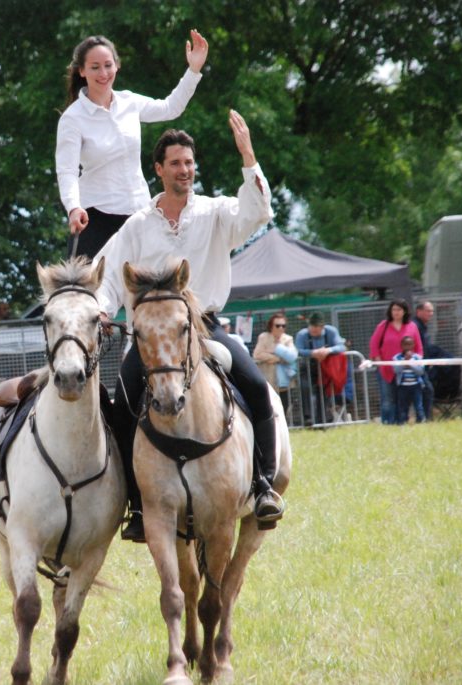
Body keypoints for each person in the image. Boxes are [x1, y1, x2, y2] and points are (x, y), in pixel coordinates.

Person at [94, 110, 280, 541]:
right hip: (151, 340)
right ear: (158, 169)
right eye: (176, 163)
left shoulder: (216, 212)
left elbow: (258, 212)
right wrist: (103, 309)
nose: (185, 170)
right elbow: (108, 276)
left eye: (190, 162)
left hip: (205, 330)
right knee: (122, 401)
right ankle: (138, 506)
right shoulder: (138, 225)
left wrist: (248, 156)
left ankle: (262, 485)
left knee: (255, 386)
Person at [56, 30, 208, 259]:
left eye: (108, 65)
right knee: (85, 282)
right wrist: (73, 207)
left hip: (139, 215)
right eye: (95, 67)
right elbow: (66, 171)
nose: (103, 73)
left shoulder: (129, 102)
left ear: (117, 66)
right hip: (95, 218)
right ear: (82, 71)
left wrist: (193, 70)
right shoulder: (72, 118)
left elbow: (171, 108)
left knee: (161, 277)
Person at [368, 299, 423, 425]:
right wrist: (379, 362)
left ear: (404, 311)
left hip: (407, 371)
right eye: (393, 309)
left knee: (403, 399)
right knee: (387, 399)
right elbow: (373, 344)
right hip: (386, 369)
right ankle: (388, 422)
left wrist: (415, 362)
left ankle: (401, 422)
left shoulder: (412, 326)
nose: (396, 312)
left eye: (399, 309)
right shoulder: (383, 326)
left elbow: (419, 348)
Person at [295, 312, 347, 426]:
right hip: (307, 366)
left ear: (323, 326)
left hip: (324, 367)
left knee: (323, 391)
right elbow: (297, 350)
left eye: (316, 327)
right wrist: (313, 353)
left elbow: (341, 346)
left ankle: (322, 420)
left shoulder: (331, 331)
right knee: (305, 387)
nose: (313, 329)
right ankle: (308, 418)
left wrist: (328, 351)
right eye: (311, 326)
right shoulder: (302, 334)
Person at [253, 313, 298, 419]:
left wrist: (275, 349)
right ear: (271, 326)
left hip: (283, 381)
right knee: (269, 407)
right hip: (267, 379)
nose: (281, 328)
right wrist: (277, 358)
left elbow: (292, 356)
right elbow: (257, 354)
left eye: (283, 325)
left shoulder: (288, 339)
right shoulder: (263, 337)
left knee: (283, 406)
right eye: (278, 325)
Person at [392, 335, 427, 424]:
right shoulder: (397, 358)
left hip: (416, 386)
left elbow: (420, 371)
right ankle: (402, 422)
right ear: (401, 345)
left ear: (413, 345)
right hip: (403, 386)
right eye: (405, 344)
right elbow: (396, 370)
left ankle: (421, 421)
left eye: (410, 344)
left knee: (418, 405)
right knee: (403, 406)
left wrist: (411, 364)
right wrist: (404, 361)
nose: (408, 347)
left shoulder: (417, 357)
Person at [412, 300, 436, 419]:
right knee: (427, 391)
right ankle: (424, 418)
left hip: (424, 365)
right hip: (416, 366)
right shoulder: (415, 326)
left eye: (432, 311)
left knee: (425, 391)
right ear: (418, 311)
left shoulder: (423, 326)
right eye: (428, 311)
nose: (431, 314)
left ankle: (423, 418)